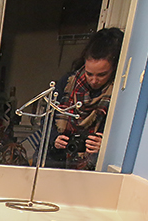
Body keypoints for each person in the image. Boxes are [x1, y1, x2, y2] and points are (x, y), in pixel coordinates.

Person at [46, 28, 124, 170]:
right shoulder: (67, 83)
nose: (94, 80)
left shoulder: (120, 95)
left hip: (93, 167)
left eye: (102, 75)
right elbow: (47, 120)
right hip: (58, 162)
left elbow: (122, 137)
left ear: (113, 69)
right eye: (89, 74)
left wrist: (106, 145)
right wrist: (54, 138)